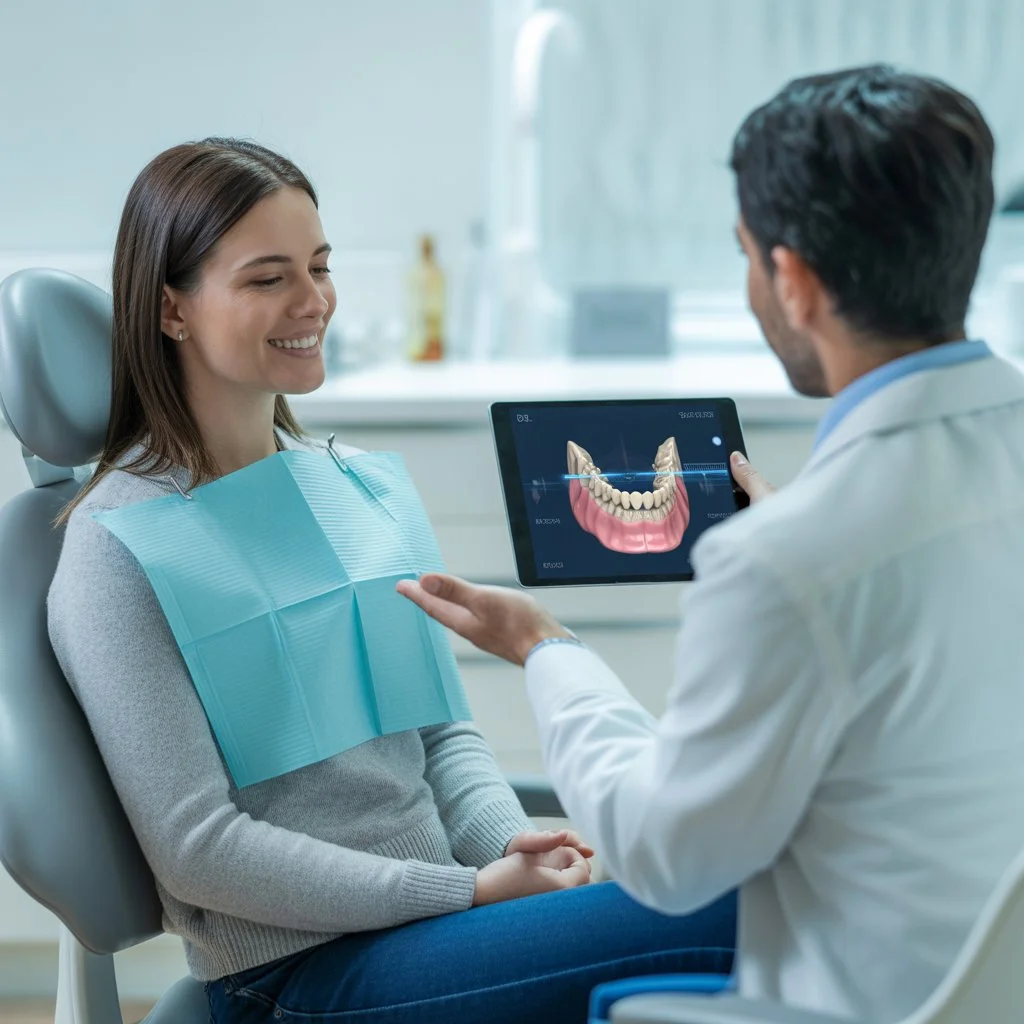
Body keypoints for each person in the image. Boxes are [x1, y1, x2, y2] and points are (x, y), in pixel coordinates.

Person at [46, 138, 735, 1024]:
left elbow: (441, 734)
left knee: (723, 888)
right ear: (173, 309)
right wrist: (465, 892)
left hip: (434, 924)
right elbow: (198, 850)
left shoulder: (357, 487)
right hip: (293, 980)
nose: (313, 302)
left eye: (320, 266)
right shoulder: (115, 546)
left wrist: (514, 848)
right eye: (268, 279)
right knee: (727, 909)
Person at [399, 64, 1024, 1023]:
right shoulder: (817, 541)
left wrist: (546, 650)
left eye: (745, 255)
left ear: (793, 279)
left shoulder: (789, 564)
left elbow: (666, 855)